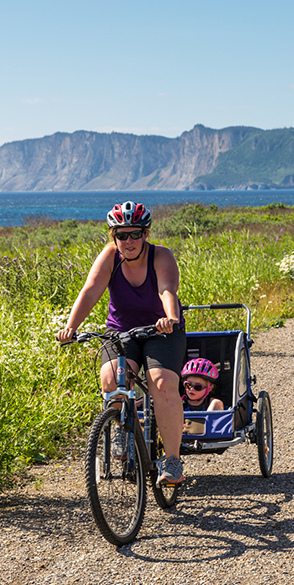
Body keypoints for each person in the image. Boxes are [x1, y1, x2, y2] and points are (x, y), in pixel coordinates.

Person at [56, 201, 188, 486]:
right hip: (121, 333)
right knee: (110, 380)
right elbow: (90, 291)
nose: (128, 241)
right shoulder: (109, 257)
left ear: (146, 233)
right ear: (113, 236)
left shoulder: (161, 256)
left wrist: (170, 317)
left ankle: (173, 460)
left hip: (162, 330)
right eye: (122, 234)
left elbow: (167, 289)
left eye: (135, 234)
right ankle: (122, 429)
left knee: (162, 383)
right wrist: (71, 327)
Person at [179, 358, 225, 434]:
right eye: (188, 385)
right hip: (182, 434)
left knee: (217, 403)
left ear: (209, 389)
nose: (192, 389)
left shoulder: (212, 403)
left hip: (207, 434)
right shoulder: (180, 403)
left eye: (198, 387)